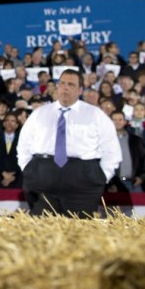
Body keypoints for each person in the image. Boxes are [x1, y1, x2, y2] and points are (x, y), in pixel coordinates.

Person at [17, 70, 122, 217]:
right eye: (62, 83)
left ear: (80, 90)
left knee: (79, 232)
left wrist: (102, 176)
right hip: (42, 178)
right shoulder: (39, 114)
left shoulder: (96, 115)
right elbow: (23, 145)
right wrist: (28, 170)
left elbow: (111, 150)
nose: (65, 87)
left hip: (83, 181)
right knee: (42, 231)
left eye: (71, 84)